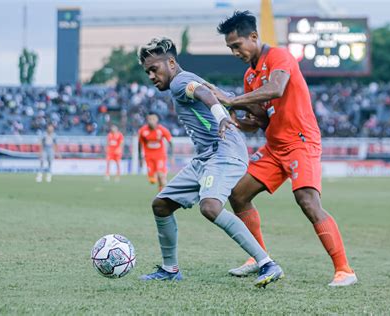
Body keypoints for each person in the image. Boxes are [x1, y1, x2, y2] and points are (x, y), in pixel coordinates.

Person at [207, 11, 357, 286]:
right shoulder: (250, 77)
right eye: (230, 48)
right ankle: (258, 257)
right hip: (275, 147)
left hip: (301, 141)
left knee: (307, 201)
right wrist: (238, 122)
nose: (234, 52)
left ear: (253, 37)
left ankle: (344, 270)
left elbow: (276, 88)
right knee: (238, 195)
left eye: (236, 45)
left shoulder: (279, 56)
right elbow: (261, 120)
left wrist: (230, 100)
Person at [137, 37, 283, 287]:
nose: (151, 76)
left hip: (223, 151)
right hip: (206, 156)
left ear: (171, 62)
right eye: (147, 71)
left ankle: (267, 264)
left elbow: (203, 92)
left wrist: (220, 116)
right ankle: (170, 270)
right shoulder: (183, 79)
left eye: (154, 69)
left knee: (211, 207)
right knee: (161, 205)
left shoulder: (180, 82)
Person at [138, 112, 173, 191]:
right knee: (152, 181)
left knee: (161, 175)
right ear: (147, 120)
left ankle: (164, 194)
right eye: (150, 119)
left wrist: (171, 155)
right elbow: (139, 144)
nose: (151, 121)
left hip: (160, 155)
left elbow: (171, 142)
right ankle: (160, 186)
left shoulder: (162, 130)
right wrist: (140, 158)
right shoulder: (142, 131)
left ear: (157, 120)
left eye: (153, 119)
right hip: (148, 156)